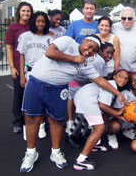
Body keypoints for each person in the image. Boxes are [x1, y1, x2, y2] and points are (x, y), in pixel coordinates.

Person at [19, 34, 128, 173]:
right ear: (83, 41)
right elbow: (50, 52)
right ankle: (30, 153)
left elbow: (100, 80)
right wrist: (74, 58)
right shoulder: (68, 42)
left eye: (94, 50)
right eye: (89, 46)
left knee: (56, 121)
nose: (90, 51)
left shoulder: (86, 63)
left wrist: (118, 93)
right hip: (37, 83)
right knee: (32, 119)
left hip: (58, 89)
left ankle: (56, 152)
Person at [73, 69, 129, 171]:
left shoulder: (112, 87)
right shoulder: (111, 86)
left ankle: (95, 143)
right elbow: (102, 106)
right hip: (86, 100)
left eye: (126, 79)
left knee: (103, 119)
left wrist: (118, 114)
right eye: (121, 76)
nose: (124, 80)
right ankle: (81, 161)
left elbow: (106, 109)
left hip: (83, 97)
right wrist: (117, 113)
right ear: (114, 76)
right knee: (100, 128)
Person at [66, 42, 114, 149]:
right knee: (84, 111)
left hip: (86, 85)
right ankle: (71, 134)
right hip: (78, 83)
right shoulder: (97, 61)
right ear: (100, 51)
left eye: (112, 54)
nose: (109, 56)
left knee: (87, 112)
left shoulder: (100, 61)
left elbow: (101, 78)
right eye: (107, 53)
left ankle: (83, 134)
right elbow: (95, 79)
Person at [65, 0, 99, 137]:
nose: (89, 10)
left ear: (95, 10)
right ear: (83, 9)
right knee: (72, 96)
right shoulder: (75, 25)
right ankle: (71, 121)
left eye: (91, 8)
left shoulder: (98, 25)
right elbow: (68, 43)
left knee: (89, 96)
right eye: (87, 8)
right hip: (76, 64)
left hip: (92, 65)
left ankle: (88, 124)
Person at [17, 11, 53, 140]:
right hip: (30, 73)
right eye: (38, 21)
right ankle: (28, 127)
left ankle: (41, 125)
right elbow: (21, 57)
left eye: (43, 21)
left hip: (44, 73)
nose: (41, 24)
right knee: (28, 103)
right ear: (34, 22)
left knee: (42, 102)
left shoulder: (50, 38)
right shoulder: (25, 36)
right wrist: (22, 75)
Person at [4, 2, 33, 133]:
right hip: (18, 66)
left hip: (33, 67)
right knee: (19, 94)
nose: (26, 13)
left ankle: (33, 121)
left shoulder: (33, 27)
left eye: (28, 11)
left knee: (32, 95)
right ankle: (17, 121)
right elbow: (9, 48)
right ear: (19, 12)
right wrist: (12, 67)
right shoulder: (13, 27)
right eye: (23, 11)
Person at [107, 72, 136, 149]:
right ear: (130, 83)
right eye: (133, 81)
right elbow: (116, 110)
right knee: (115, 126)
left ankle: (128, 131)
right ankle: (111, 135)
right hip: (120, 120)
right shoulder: (124, 94)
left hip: (131, 122)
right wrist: (129, 108)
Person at [111, 6, 136, 81]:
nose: (127, 21)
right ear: (120, 18)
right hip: (121, 69)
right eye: (124, 18)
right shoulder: (114, 28)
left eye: (130, 18)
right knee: (121, 92)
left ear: (134, 18)